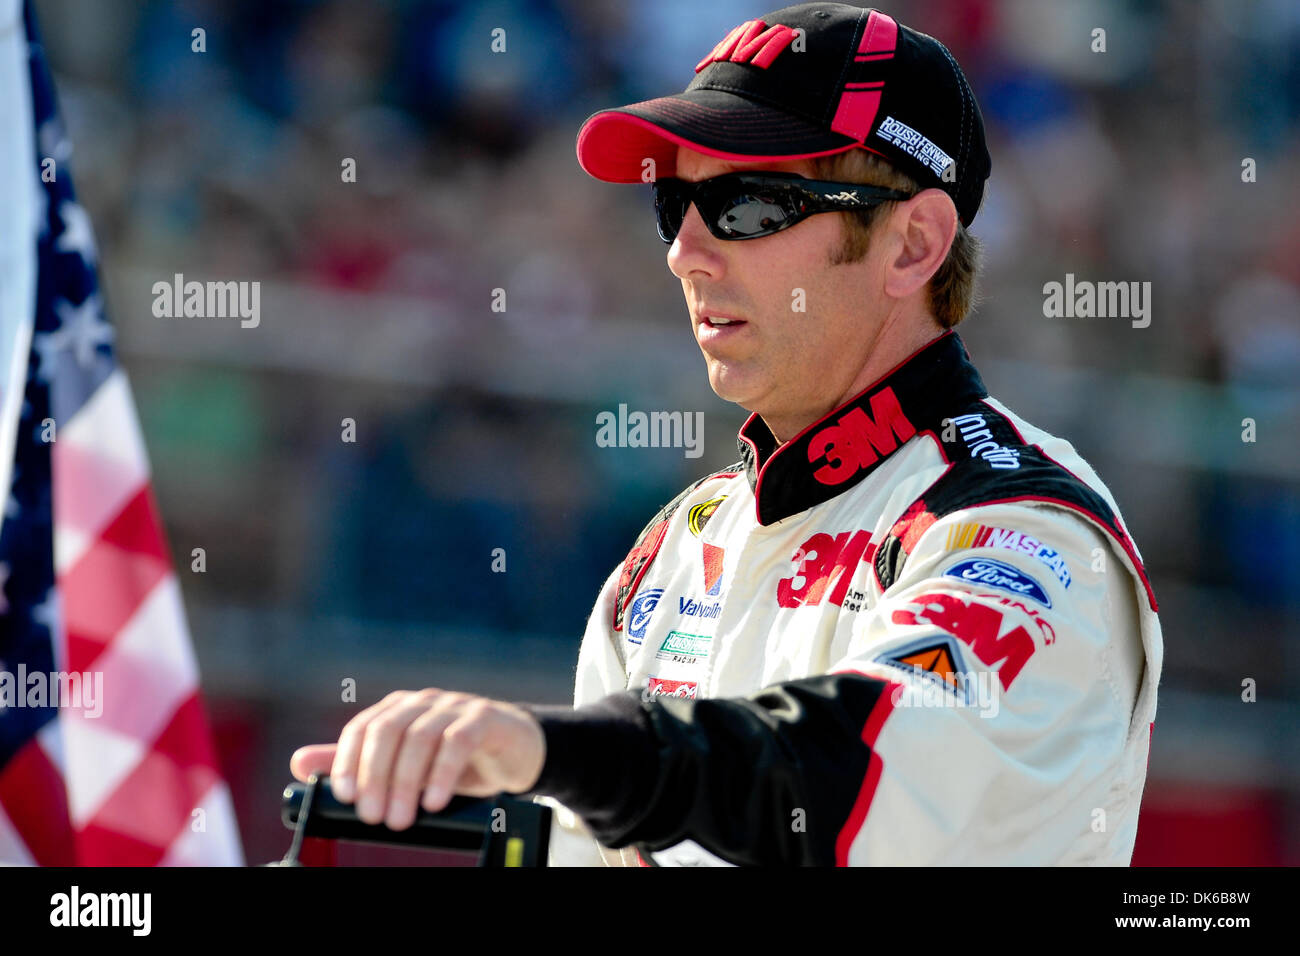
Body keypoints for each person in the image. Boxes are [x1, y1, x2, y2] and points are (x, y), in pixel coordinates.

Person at [290, 2, 1163, 866]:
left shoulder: (1032, 533)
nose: (685, 251)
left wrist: (556, 752)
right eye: (677, 201)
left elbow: (848, 774)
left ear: (912, 246)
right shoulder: (674, 547)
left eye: (749, 205)